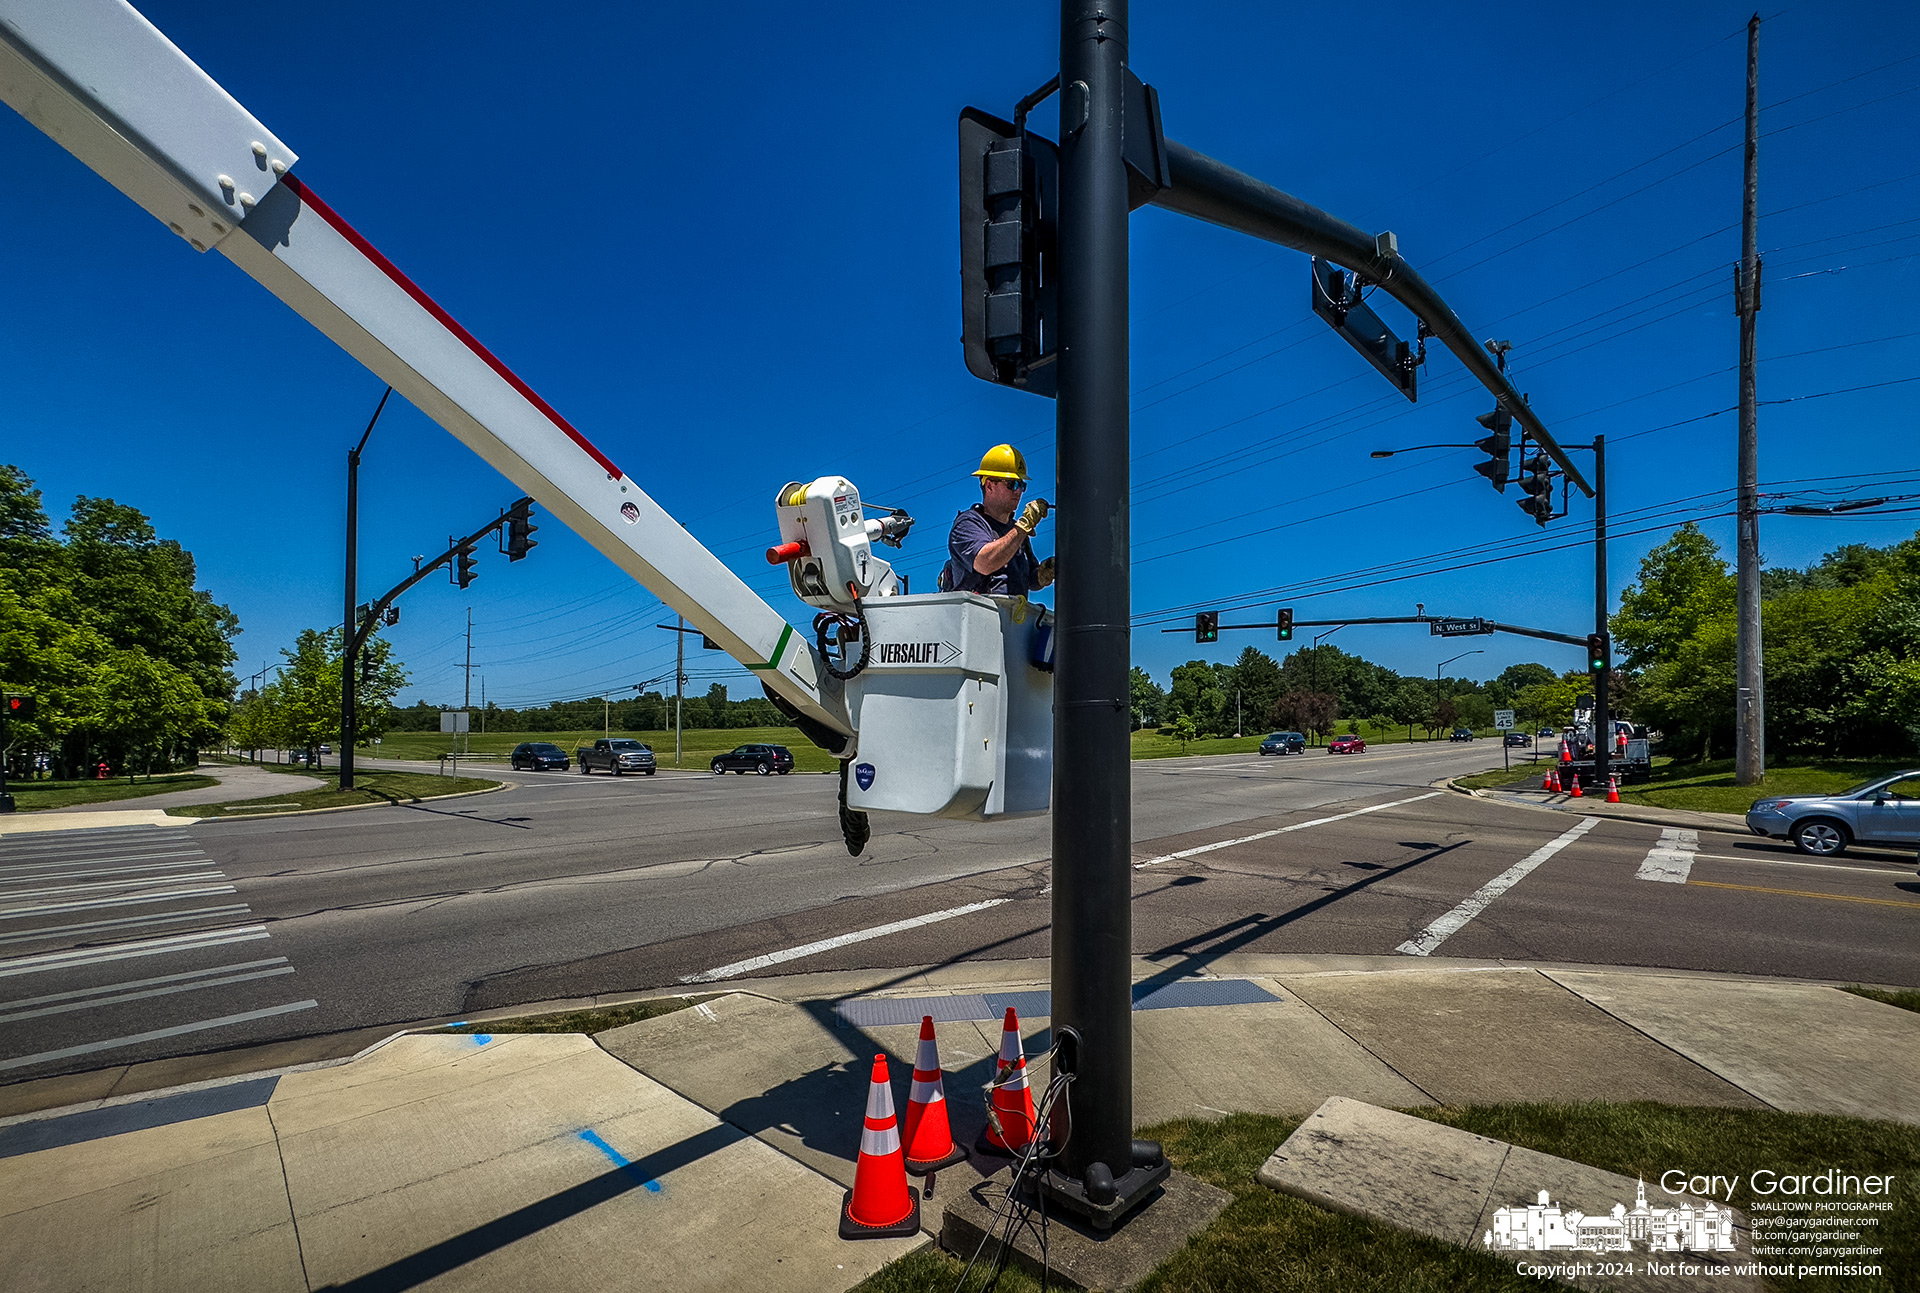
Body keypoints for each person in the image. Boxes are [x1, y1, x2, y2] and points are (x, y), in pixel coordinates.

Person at [940, 444, 1055, 596]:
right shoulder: (968, 524)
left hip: (1010, 615)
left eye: (1022, 485)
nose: (1018, 491)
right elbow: (984, 563)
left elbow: (1027, 580)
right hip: (978, 615)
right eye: (1012, 484)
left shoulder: (1015, 530)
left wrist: (1042, 574)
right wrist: (1023, 527)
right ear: (989, 485)